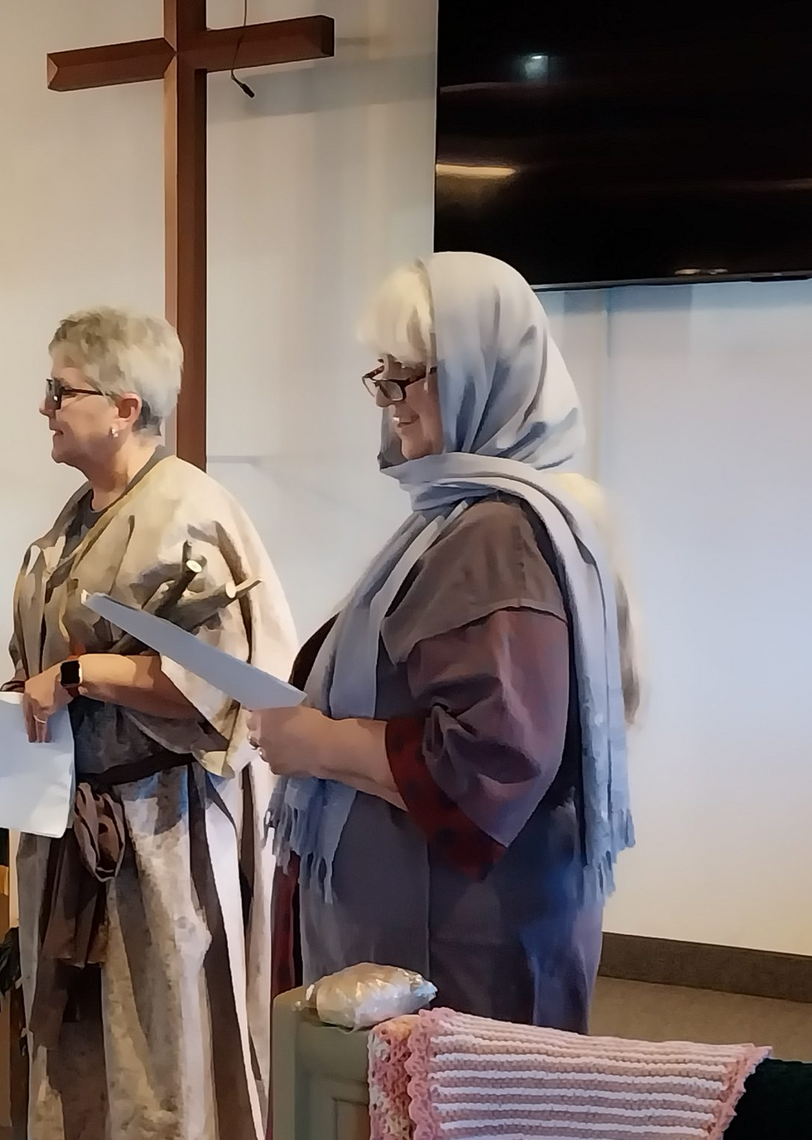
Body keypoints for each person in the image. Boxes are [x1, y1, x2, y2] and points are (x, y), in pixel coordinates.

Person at [254, 252, 638, 1032]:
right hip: (447, 919)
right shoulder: (477, 514)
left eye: (410, 374)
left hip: (452, 945)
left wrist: (319, 744)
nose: (389, 400)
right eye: (382, 373)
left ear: (480, 374)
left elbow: (490, 761)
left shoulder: (496, 532)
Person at [11, 307, 296, 1140]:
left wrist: (80, 671)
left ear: (125, 405)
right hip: (90, 817)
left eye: (61, 389)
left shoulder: (192, 510)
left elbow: (230, 681)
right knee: (123, 1028)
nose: (42, 406)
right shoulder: (82, 508)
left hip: (170, 816)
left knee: (185, 1022)